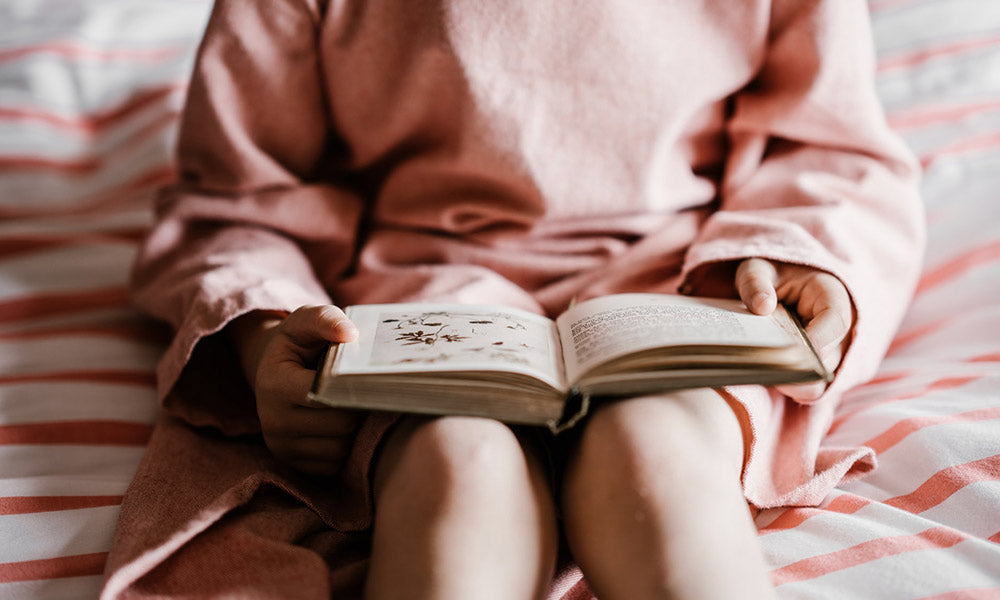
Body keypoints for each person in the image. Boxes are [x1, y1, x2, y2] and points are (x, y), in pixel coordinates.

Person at [102, 1, 924, 599]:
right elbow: (240, 205)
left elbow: (827, 146)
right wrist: (266, 336)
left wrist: (800, 260)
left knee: (657, 455)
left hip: (685, 283)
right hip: (416, 297)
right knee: (458, 469)